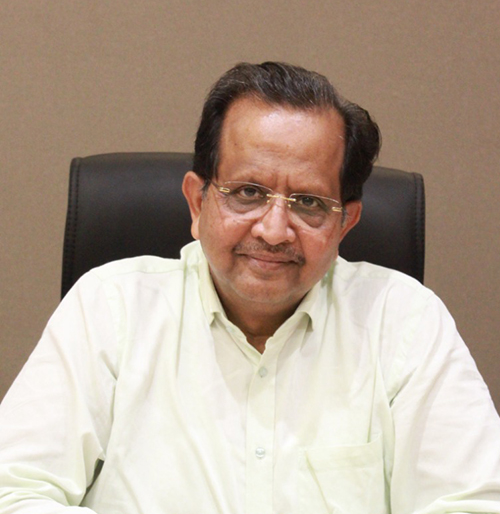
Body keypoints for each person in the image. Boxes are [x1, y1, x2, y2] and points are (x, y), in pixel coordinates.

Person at [0, 62, 499, 514]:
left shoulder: (404, 322)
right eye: (247, 193)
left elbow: (473, 504)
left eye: (308, 203)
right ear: (198, 203)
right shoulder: (109, 310)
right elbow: (15, 492)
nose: (274, 231)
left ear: (344, 224)